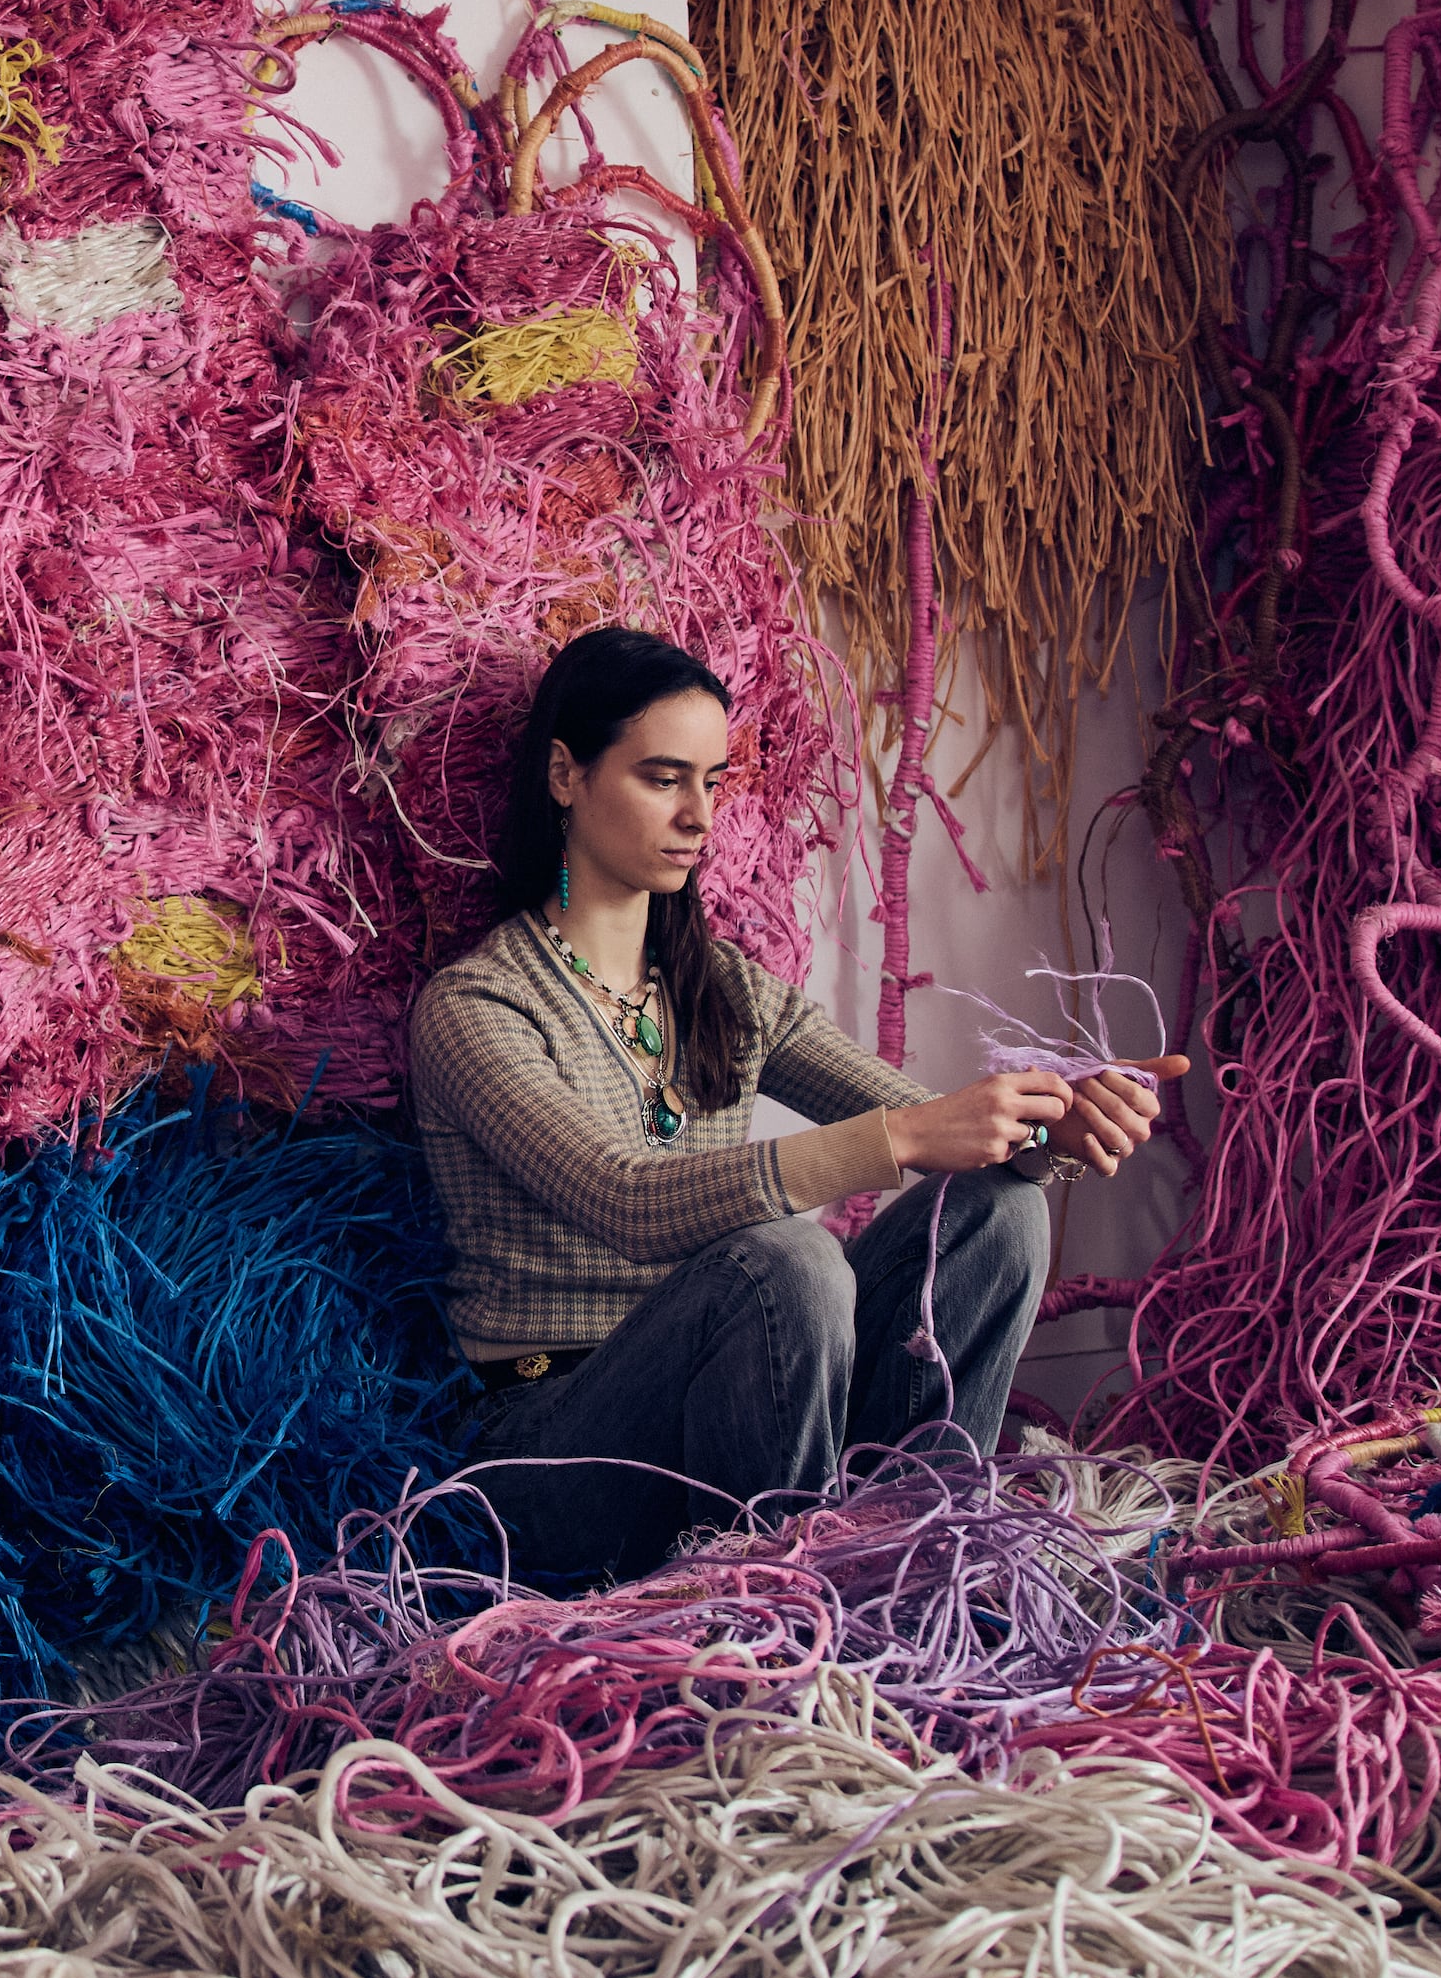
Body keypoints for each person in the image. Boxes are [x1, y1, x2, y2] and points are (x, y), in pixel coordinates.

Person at [407, 626, 1173, 1588]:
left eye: (714, 782)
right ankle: (789, 1607)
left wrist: (1045, 1130)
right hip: (555, 1450)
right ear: (566, 775)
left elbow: (925, 1120)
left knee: (999, 1211)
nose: (700, 816)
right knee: (786, 1257)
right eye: (662, 778)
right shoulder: (477, 1008)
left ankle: (921, 1567)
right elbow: (629, 1199)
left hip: (751, 1410)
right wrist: (904, 1137)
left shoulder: (718, 983)